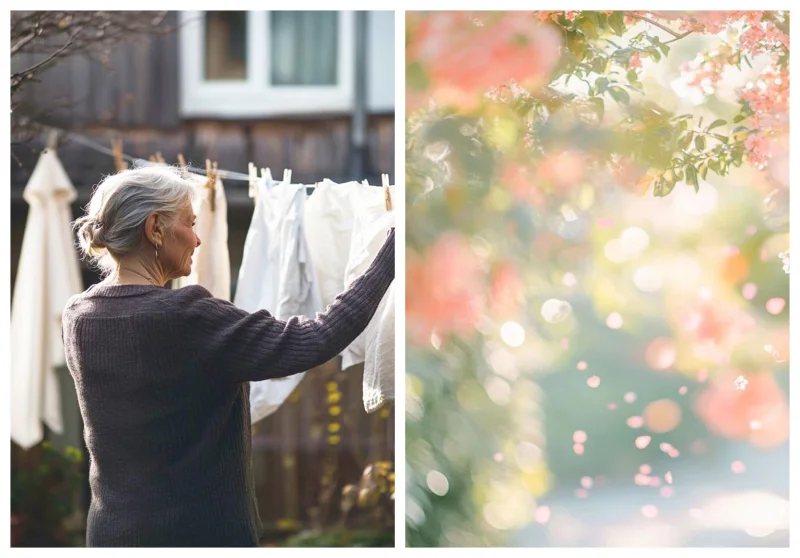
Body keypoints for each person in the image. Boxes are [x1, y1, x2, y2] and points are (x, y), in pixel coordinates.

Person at [63, 165, 395, 547]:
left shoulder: (78, 316)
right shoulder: (186, 317)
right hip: (198, 539)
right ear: (155, 228)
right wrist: (391, 254)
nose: (197, 239)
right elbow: (317, 338)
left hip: (110, 536)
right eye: (189, 223)